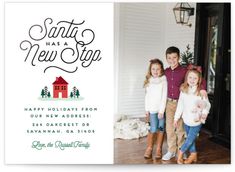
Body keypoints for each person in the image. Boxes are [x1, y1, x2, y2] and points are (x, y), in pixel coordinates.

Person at [162, 46, 207, 161]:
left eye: (174, 57)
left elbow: (196, 77)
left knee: (181, 129)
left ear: (179, 57)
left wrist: (202, 88)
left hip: (182, 104)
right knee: (170, 128)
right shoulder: (166, 71)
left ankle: (181, 149)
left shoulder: (184, 70)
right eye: (169, 58)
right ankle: (171, 150)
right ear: (166, 59)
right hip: (169, 103)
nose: (172, 60)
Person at [174, 67, 211, 164]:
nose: (192, 80)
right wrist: (176, 118)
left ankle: (180, 153)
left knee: (189, 140)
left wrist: (204, 115)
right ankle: (194, 155)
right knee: (191, 140)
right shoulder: (184, 90)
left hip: (196, 121)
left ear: (199, 80)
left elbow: (207, 105)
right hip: (186, 120)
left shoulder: (201, 92)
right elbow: (180, 105)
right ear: (186, 78)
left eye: (195, 78)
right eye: (190, 77)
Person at [143, 58, 167, 159]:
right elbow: (147, 97)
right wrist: (147, 109)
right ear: (150, 70)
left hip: (160, 110)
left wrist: (161, 111)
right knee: (153, 128)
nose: (156, 71)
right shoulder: (149, 81)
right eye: (153, 69)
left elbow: (164, 96)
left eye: (158, 69)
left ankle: (158, 149)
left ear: (161, 70)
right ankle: (149, 148)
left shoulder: (163, 80)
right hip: (152, 110)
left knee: (161, 128)